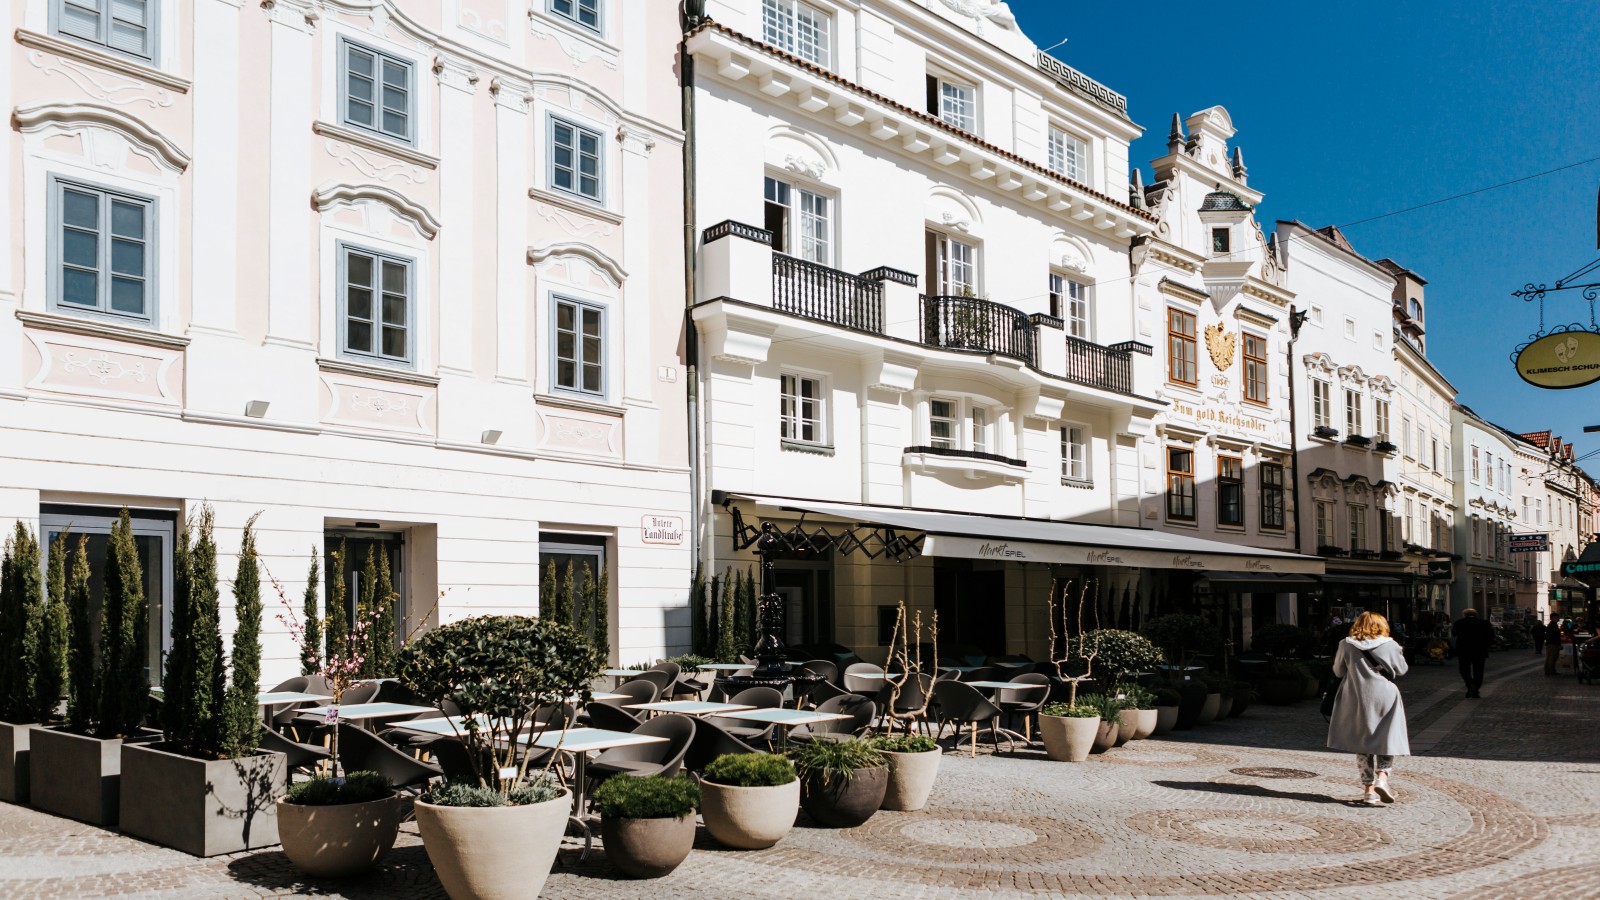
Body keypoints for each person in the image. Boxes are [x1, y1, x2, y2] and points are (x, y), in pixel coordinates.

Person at [1326, 611, 1409, 806]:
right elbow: (1402, 670)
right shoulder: (1390, 644)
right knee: (1387, 738)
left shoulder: (1346, 644)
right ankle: (1383, 778)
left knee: (1362, 743)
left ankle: (1369, 791)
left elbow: (1338, 671)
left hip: (1357, 696)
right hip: (1386, 696)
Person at [1451, 608, 1494, 698]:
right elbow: (1491, 636)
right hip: (1480, 650)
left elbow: (1454, 633)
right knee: (1478, 670)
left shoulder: (1459, 622)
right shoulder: (1484, 623)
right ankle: (1475, 687)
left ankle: (1470, 684)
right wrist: (1485, 645)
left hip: (1464, 650)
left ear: (1464, 615)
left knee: (1464, 669)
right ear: (1476, 614)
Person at [1544, 612, 1564, 676]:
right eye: (1556, 617)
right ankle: (1550, 671)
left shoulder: (1553, 624)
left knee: (1551, 657)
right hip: (1552, 644)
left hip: (1551, 643)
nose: (1558, 618)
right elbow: (1554, 636)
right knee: (1552, 657)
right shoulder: (1552, 625)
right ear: (1552, 618)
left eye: (1558, 617)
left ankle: (1550, 670)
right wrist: (1558, 644)